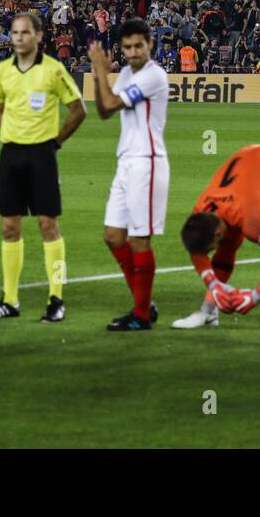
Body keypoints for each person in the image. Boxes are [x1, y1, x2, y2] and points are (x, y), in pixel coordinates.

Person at [0, 12, 86, 321]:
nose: (19, 37)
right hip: (10, 155)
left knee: (47, 226)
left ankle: (56, 299)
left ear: (39, 36)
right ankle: (9, 301)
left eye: (25, 32)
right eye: (15, 32)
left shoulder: (54, 70)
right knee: (9, 227)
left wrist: (54, 142)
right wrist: (11, 132)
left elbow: (78, 110)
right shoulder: (1, 71)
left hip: (42, 156)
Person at [88, 19, 168, 332]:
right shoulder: (125, 74)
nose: (133, 52)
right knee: (113, 236)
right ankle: (143, 303)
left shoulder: (153, 75)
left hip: (147, 161)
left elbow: (110, 102)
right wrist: (100, 77)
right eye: (128, 47)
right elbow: (105, 111)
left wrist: (100, 73)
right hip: (126, 161)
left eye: (138, 46)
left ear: (150, 43)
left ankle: (141, 315)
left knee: (138, 239)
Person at [176, 143, 260, 330]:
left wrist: (255, 296)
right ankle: (208, 311)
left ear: (217, 233)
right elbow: (197, 250)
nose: (211, 252)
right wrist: (214, 285)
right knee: (228, 243)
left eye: (211, 248)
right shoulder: (200, 212)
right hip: (251, 169)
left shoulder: (249, 219)